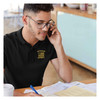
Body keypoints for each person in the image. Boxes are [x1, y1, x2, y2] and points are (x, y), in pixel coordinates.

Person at [4, 4, 72, 96]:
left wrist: (58, 44)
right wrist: (24, 96)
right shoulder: (6, 43)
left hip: (37, 94)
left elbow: (67, 78)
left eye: (48, 23)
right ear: (25, 20)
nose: (45, 28)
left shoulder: (48, 42)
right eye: (39, 23)